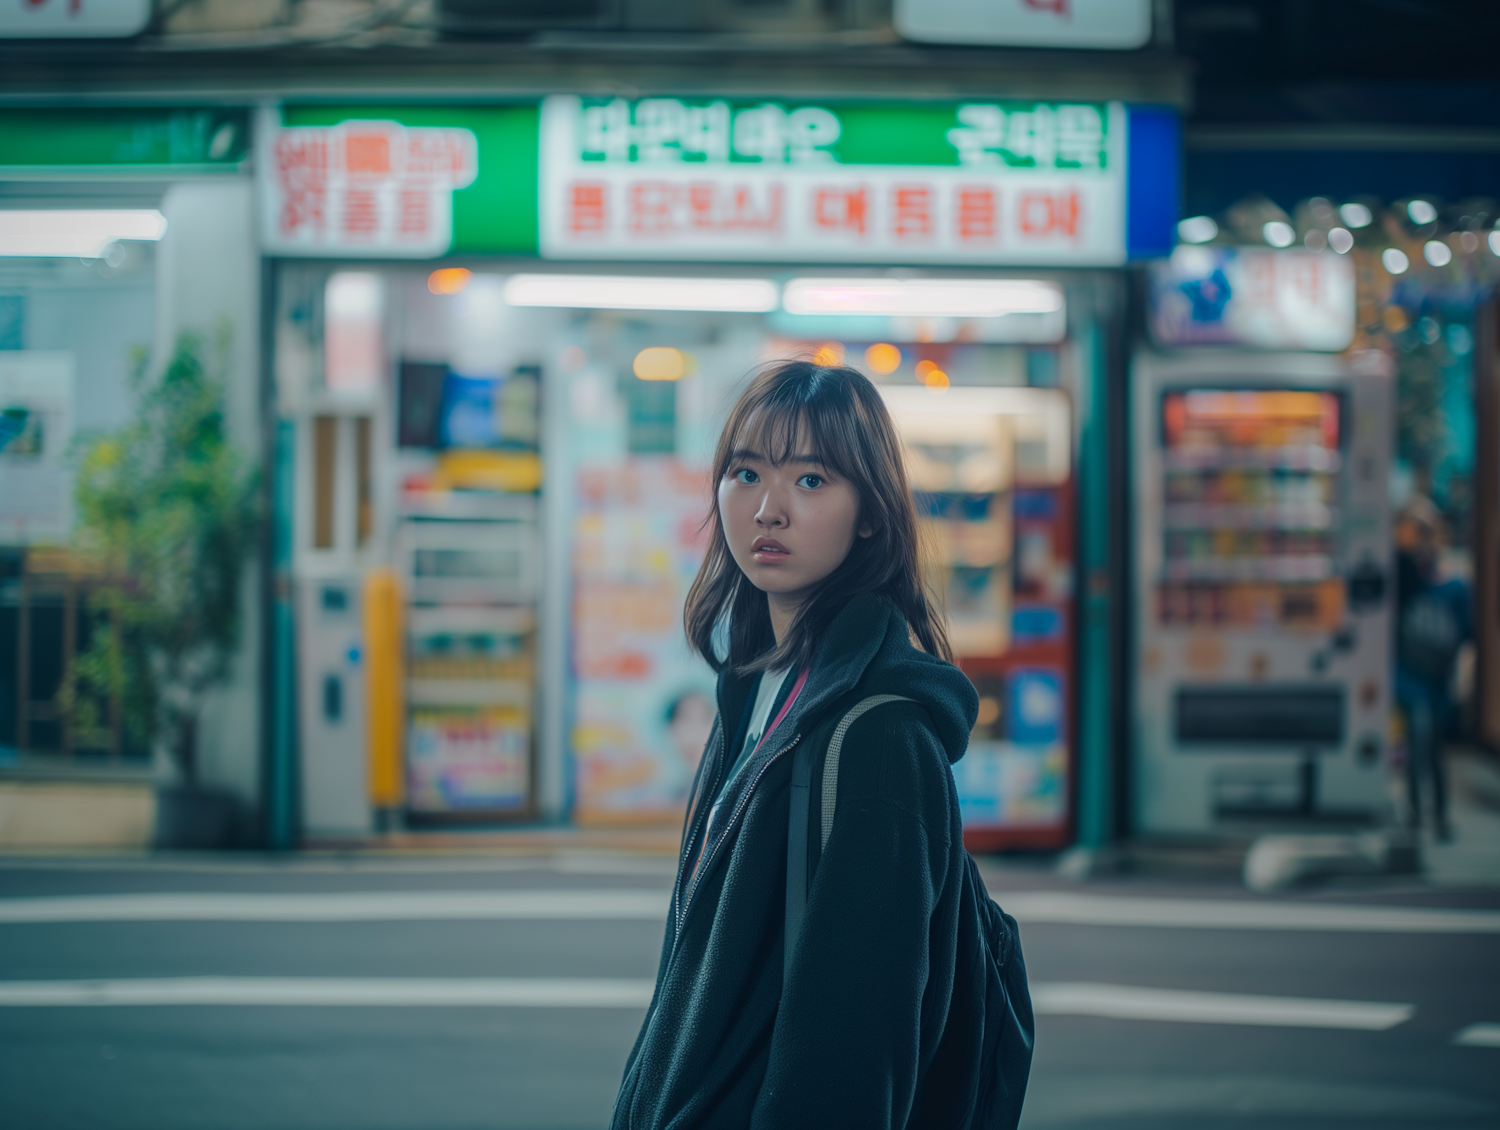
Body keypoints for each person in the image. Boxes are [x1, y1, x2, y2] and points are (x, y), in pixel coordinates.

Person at [610, 361, 1032, 1130]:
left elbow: (854, 1048)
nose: (768, 508)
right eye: (746, 472)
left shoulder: (879, 738)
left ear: (870, 512)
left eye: (811, 481)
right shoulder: (756, 692)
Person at [1393, 496, 1471, 841]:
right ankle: (1412, 811)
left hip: (1438, 678)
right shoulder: (1404, 579)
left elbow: (1467, 633)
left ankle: (1437, 814)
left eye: (1426, 533)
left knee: (1433, 744)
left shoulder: (1454, 587)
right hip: (1409, 677)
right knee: (1419, 732)